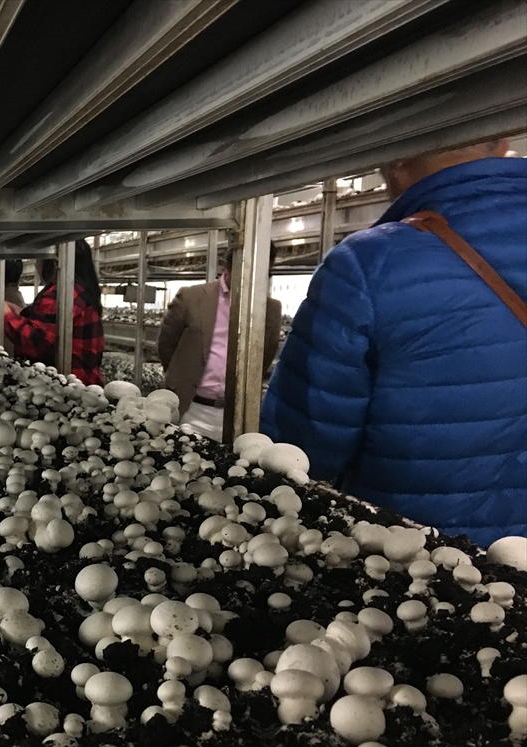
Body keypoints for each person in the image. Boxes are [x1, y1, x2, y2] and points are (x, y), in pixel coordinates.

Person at [260, 137, 527, 547]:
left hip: (420, 558)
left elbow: (299, 453)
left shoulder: (368, 264)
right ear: (504, 142)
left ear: (393, 158)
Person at [159, 246, 282, 441]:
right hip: (191, 407)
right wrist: (181, 380)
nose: (251, 279)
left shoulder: (270, 309)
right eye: (245, 271)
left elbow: (264, 356)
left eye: (262, 273)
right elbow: (167, 345)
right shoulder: (192, 298)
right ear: (228, 267)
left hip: (237, 413)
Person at [4, 239, 105, 384]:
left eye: (38, 259)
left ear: (53, 262)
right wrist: (19, 312)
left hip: (69, 387)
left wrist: (6, 315)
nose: (36, 265)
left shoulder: (63, 293)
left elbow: (36, 343)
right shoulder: (79, 289)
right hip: (84, 384)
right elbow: (50, 325)